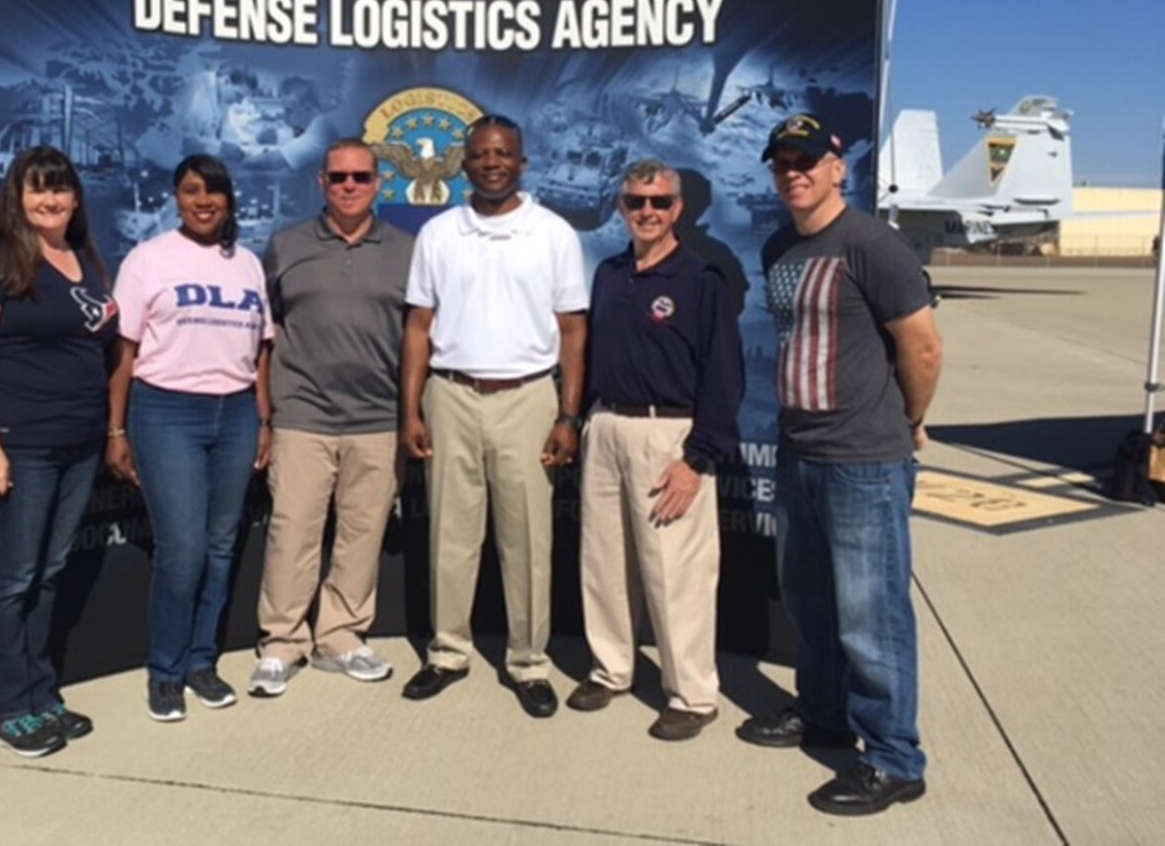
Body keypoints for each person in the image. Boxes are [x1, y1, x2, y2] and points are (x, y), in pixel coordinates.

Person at [740, 113, 943, 816]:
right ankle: (824, 712)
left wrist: (909, 421)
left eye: (805, 160)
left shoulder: (871, 245)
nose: (792, 171)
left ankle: (893, 756)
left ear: (837, 167)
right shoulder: (778, 249)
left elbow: (921, 348)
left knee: (872, 614)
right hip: (801, 453)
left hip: (863, 459)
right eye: (780, 162)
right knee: (811, 602)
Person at [399, 114, 588, 718]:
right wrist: (411, 408)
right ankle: (447, 652)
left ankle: (528, 662)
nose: (492, 162)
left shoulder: (554, 233)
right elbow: (419, 327)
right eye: (480, 153)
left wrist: (568, 415)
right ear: (464, 163)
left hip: (529, 397)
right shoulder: (438, 233)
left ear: (522, 162)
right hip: (450, 394)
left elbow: (573, 330)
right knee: (450, 535)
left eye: (503, 153)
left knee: (528, 539)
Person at [0, 146, 117, 758]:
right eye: (37, 189)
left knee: (47, 576)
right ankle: (1, 707)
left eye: (61, 189)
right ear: (16, 197)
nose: (50, 200)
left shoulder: (80, 258)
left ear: (75, 197)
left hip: (77, 443)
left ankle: (39, 693)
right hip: (21, 444)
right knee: (10, 580)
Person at [566, 159, 743, 741]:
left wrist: (698, 459)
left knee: (676, 572)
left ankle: (691, 693)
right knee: (604, 560)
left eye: (659, 202)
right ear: (621, 206)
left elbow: (723, 376)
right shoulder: (611, 274)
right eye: (636, 201)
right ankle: (612, 668)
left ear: (678, 209)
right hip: (608, 425)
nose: (647, 212)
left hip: (669, 434)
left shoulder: (701, 279)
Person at [106, 154, 274, 723]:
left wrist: (264, 418)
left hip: (236, 414)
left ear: (229, 200)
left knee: (224, 544)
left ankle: (203, 661)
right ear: (176, 198)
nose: (203, 201)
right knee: (183, 551)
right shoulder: (147, 260)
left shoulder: (248, 263)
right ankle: (166, 672)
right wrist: (117, 428)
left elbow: (262, 351)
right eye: (191, 191)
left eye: (214, 192)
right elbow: (123, 354)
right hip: (166, 412)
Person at [248, 138, 415, 696]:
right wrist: (266, 416)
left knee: (362, 534)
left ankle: (340, 636)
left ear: (378, 184)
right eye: (338, 177)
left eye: (361, 177)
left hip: (378, 418)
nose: (349, 186)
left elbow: (422, 337)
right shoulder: (285, 245)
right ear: (320, 183)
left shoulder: (408, 250)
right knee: (292, 530)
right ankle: (281, 643)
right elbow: (263, 336)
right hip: (302, 415)